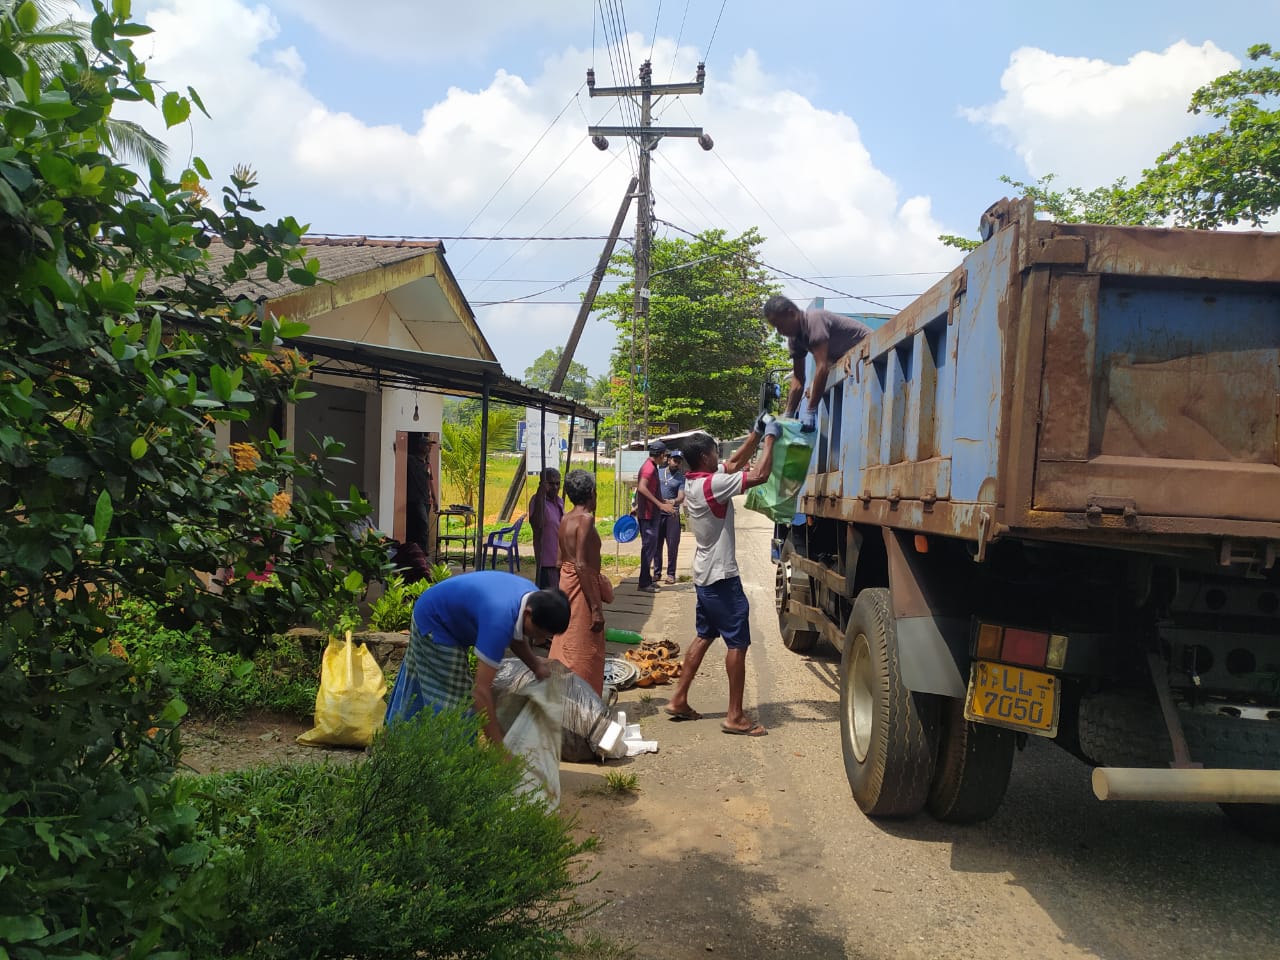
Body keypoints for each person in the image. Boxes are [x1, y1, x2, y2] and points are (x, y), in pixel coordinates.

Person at [664, 418, 782, 735]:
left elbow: (733, 463)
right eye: (715, 452)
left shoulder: (695, 481)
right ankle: (734, 716)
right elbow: (760, 474)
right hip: (723, 578)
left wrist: (755, 432)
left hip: (705, 575)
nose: (720, 456)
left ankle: (678, 698)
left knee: (704, 635)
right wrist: (770, 440)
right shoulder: (713, 486)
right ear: (705, 458)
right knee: (737, 643)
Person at [384, 570, 570, 746]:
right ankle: (451, 761)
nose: (539, 640)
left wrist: (535, 665)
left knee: (421, 686)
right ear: (528, 614)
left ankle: (398, 743)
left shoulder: (533, 597)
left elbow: (516, 635)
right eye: (539, 632)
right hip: (435, 623)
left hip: (440, 610)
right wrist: (498, 747)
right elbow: (480, 692)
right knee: (457, 703)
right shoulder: (499, 620)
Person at [762, 295, 872, 432]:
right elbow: (798, 379)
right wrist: (788, 415)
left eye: (780, 325)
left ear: (791, 313)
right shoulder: (795, 340)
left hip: (869, 349)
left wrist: (811, 410)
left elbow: (822, 367)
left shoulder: (814, 320)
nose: (779, 331)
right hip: (845, 359)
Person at [548, 469, 614, 695]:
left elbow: (559, 562)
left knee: (565, 639)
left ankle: (561, 691)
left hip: (568, 585)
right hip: (581, 587)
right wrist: (596, 608)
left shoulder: (565, 518)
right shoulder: (585, 519)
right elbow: (581, 565)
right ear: (593, 493)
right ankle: (581, 697)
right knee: (584, 645)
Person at [635, 439, 675, 593]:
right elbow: (642, 488)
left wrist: (663, 501)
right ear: (660, 455)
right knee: (648, 549)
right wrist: (659, 505)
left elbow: (651, 490)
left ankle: (646, 580)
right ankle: (644, 583)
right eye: (664, 456)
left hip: (651, 512)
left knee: (650, 548)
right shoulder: (649, 469)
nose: (665, 459)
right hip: (648, 515)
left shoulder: (651, 466)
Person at [652, 449, 687, 584]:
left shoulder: (681, 478)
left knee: (672, 545)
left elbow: (681, 497)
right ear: (668, 459)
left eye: (679, 461)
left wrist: (671, 502)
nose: (676, 463)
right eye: (674, 460)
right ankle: (656, 572)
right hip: (657, 514)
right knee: (656, 545)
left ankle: (671, 574)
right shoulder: (658, 473)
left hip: (672, 514)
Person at [528, 467, 564, 591]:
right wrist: (540, 494)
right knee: (550, 597)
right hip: (546, 561)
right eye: (551, 483)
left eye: (557, 483)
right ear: (543, 484)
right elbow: (537, 524)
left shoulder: (559, 502)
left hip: (560, 560)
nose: (555, 487)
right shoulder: (537, 501)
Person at [406, 435, 438, 557]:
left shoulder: (427, 464)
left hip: (426, 499)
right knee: (423, 525)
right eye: (427, 445)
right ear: (420, 446)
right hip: (415, 498)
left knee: (423, 526)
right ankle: (423, 552)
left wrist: (434, 499)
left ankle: (420, 550)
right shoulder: (411, 460)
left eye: (430, 445)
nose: (429, 448)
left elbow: (430, 482)